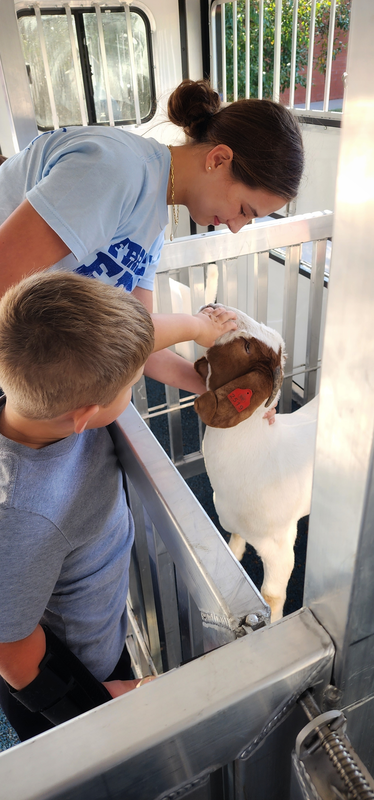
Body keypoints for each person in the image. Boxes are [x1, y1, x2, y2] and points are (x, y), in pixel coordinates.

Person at [0, 270, 237, 742]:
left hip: (98, 623)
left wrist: (198, 326)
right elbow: (11, 648)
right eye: (131, 383)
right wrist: (96, 702)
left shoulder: (36, 395)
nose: (135, 383)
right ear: (87, 415)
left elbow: (135, 341)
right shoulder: (25, 515)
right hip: (76, 678)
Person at [0, 79, 304, 397]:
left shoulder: (153, 226)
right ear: (217, 160)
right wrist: (195, 326)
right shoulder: (114, 169)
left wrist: (215, 391)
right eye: (244, 210)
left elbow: (140, 343)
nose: (236, 227)